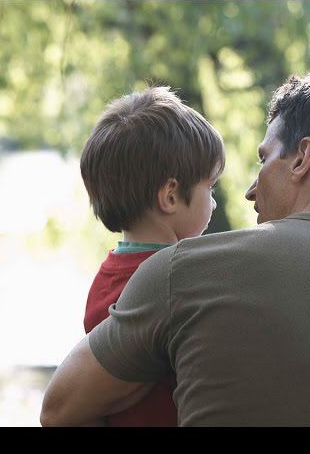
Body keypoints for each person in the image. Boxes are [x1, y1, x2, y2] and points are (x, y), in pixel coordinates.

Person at [41, 70, 310, 427]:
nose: (250, 190)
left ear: (302, 158)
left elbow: (58, 411)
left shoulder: (184, 273)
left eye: (264, 159)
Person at [75, 86, 225, 426]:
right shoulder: (182, 282)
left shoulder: (105, 279)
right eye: (209, 187)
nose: (214, 202)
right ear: (170, 196)